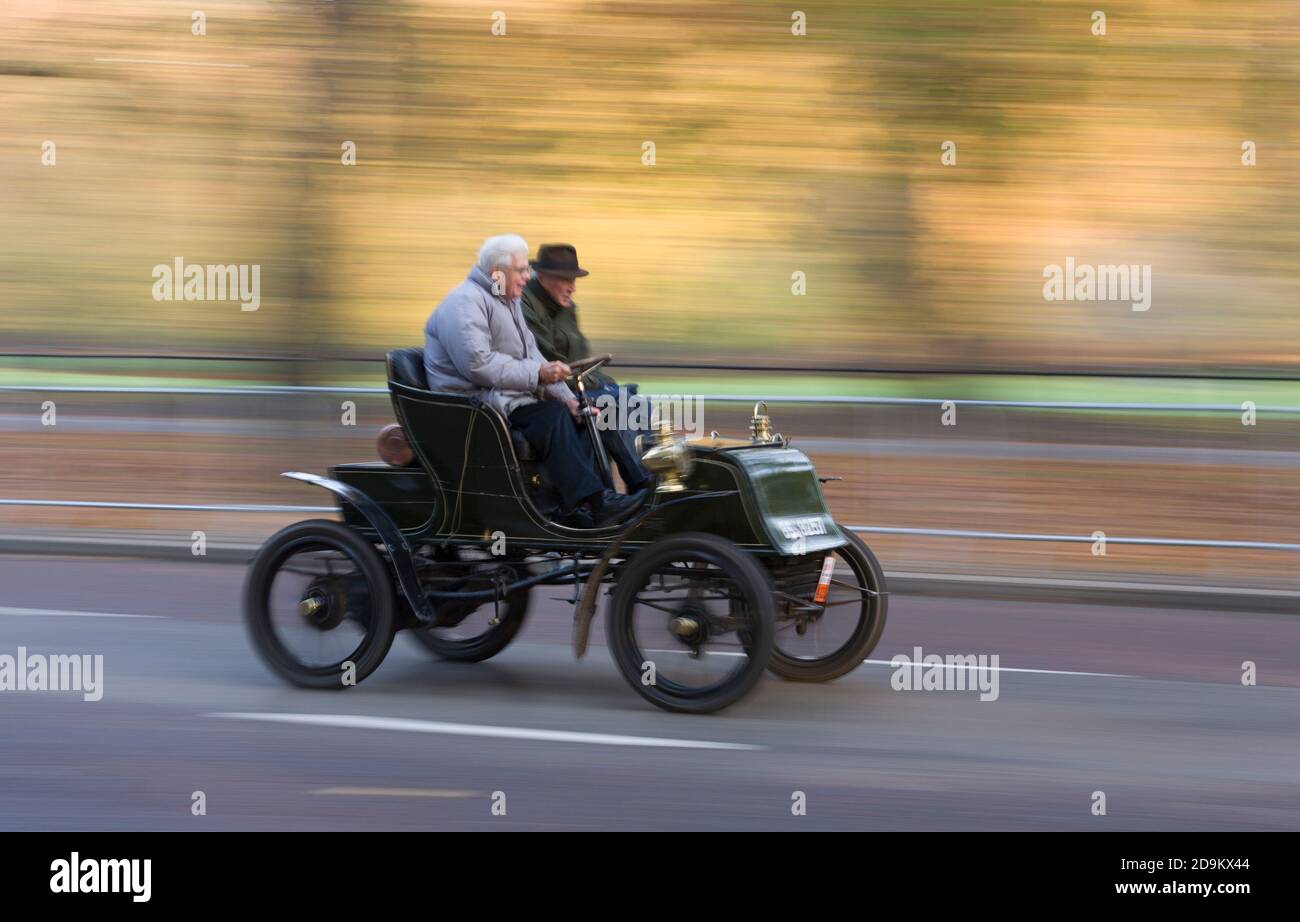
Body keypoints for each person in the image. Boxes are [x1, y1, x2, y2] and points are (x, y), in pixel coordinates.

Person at [423, 234, 646, 526]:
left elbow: (533, 356)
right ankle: (598, 503)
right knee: (552, 419)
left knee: (581, 416)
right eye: (521, 270)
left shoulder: (506, 300)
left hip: (503, 400)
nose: (528, 277)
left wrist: (569, 400)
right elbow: (478, 365)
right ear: (497, 274)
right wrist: (538, 375)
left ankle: (587, 505)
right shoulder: (465, 304)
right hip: (473, 409)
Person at [521, 244, 653, 491]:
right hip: (548, 393)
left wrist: (606, 384)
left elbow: (581, 356)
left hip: (578, 384)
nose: (572, 287)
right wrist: (601, 389)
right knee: (615, 405)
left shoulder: (567, 307)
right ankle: (642, 487)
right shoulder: (524, 306)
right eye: (564, 279)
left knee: (635, 402)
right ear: (542, 276)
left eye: (573, 279)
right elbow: (548, 363)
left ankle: (648, 484)